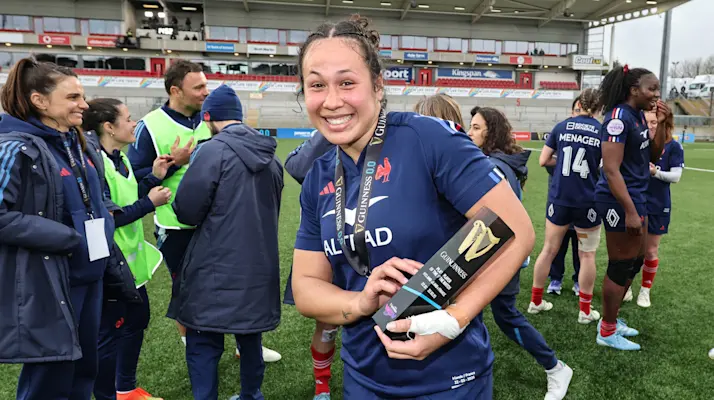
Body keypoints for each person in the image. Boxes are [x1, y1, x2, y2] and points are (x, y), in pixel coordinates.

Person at [291, 15, 535, 399]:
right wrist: (359, 301)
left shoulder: (427, 139)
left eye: (347, 82)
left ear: (378, 85)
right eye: (317, 85)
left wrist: (453, 320)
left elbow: (516, 230)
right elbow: (305, 287)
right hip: (363, 380)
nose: (332, 100)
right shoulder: (320, 176)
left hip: (449, 380)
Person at [126, 60, 281, 361]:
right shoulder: (151, 126)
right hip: (176, 224)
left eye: (205, 85)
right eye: (198, 87)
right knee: (186, 290)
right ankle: (194, 346)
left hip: (221, 222)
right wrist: (173, 165)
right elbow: (134, 180)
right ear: (175, 90)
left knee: (237, 281)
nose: (204, 92)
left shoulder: (211, 118)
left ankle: (245, 345)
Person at [427, 98, 573, 400]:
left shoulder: (492, 167)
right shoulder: (495, 163)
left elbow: (493, 226)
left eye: (477, 128)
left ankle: (556, 368)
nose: (470, 132)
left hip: (498, 258)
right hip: (491, 256)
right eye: (470, 126)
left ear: (491, 133)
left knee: (505, 316)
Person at [0, 58, 114, 399]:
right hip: (49, 280)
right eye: (73, 97)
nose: (84, 104)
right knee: (50, 376)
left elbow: (96, 202)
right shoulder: (14, 146)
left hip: (90, 276)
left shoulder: (80, 144)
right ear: (40, 101)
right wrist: (65, 237)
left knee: (83, 371)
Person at [172, 85, 283, 400]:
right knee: (249, 337)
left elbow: (187, 212)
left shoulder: (212, 150)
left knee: (204, 342)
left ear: (208, 117)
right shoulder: (271, 157)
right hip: (259, 265)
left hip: (215, 267)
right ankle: (251, 394)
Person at [83, 98, 173, 400]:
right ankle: (111, 393)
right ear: (109, 126)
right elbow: (111, 215)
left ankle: (126, 388)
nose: (134, 123)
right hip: (110, 266)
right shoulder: (94, 163)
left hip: (130, 264)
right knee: (107, 337)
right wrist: (150, 203)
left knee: (137, 320)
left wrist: (153, 177)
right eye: (128, 118)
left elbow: (127, 195)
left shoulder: (119, 158)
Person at [594, 64, 670, 351]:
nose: (656, 93)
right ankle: (607, 331)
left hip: (638, 197)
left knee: (636, 261)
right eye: (652, 88)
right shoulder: (616, 119)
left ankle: (612, 319)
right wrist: (629, 210)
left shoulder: (638, 116)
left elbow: (654, 153)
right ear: (633, 89)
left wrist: (661, 123)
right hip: (618, 199)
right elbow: (611, 170)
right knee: (620, 264)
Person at [529, 88, 603, 325]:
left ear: (579, 104)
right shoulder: (601, 132)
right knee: (587, 254)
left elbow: (543, 161)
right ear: (599, 107)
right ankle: (584, 311)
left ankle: (536, 301)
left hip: (560, 198)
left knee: (548, 250)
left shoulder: (561, 127)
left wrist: (562, 165)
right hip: (588, 201)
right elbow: (607, 167)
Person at [283, 129, 338, 400]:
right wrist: (327, 131)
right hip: (330, 246)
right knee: (327, 324)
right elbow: (296, 166)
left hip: (377, 244)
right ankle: (322, 385)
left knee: (380, 320)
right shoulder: (325, 151)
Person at [623, 110, 683, 308]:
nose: (651, 126)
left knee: (650, 250)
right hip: (636, 201)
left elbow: (676, 177)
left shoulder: (673, 146)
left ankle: (645, 290)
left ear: (663, 124)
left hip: (658, 204)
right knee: (630, 248)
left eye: (655, 122)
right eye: (648, 122)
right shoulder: (639, 144)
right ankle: (627, 286)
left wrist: (655, 172)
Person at [545, 98, 582, 297]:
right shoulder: (561, 131)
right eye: (577, 109)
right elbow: (546, 163)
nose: (579, 113)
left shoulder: (593, 132)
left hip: (583, 200)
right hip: (559, 197)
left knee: (580, 245)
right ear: (571, 110)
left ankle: (578, 281)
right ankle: (555, 279)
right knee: (556, 245)